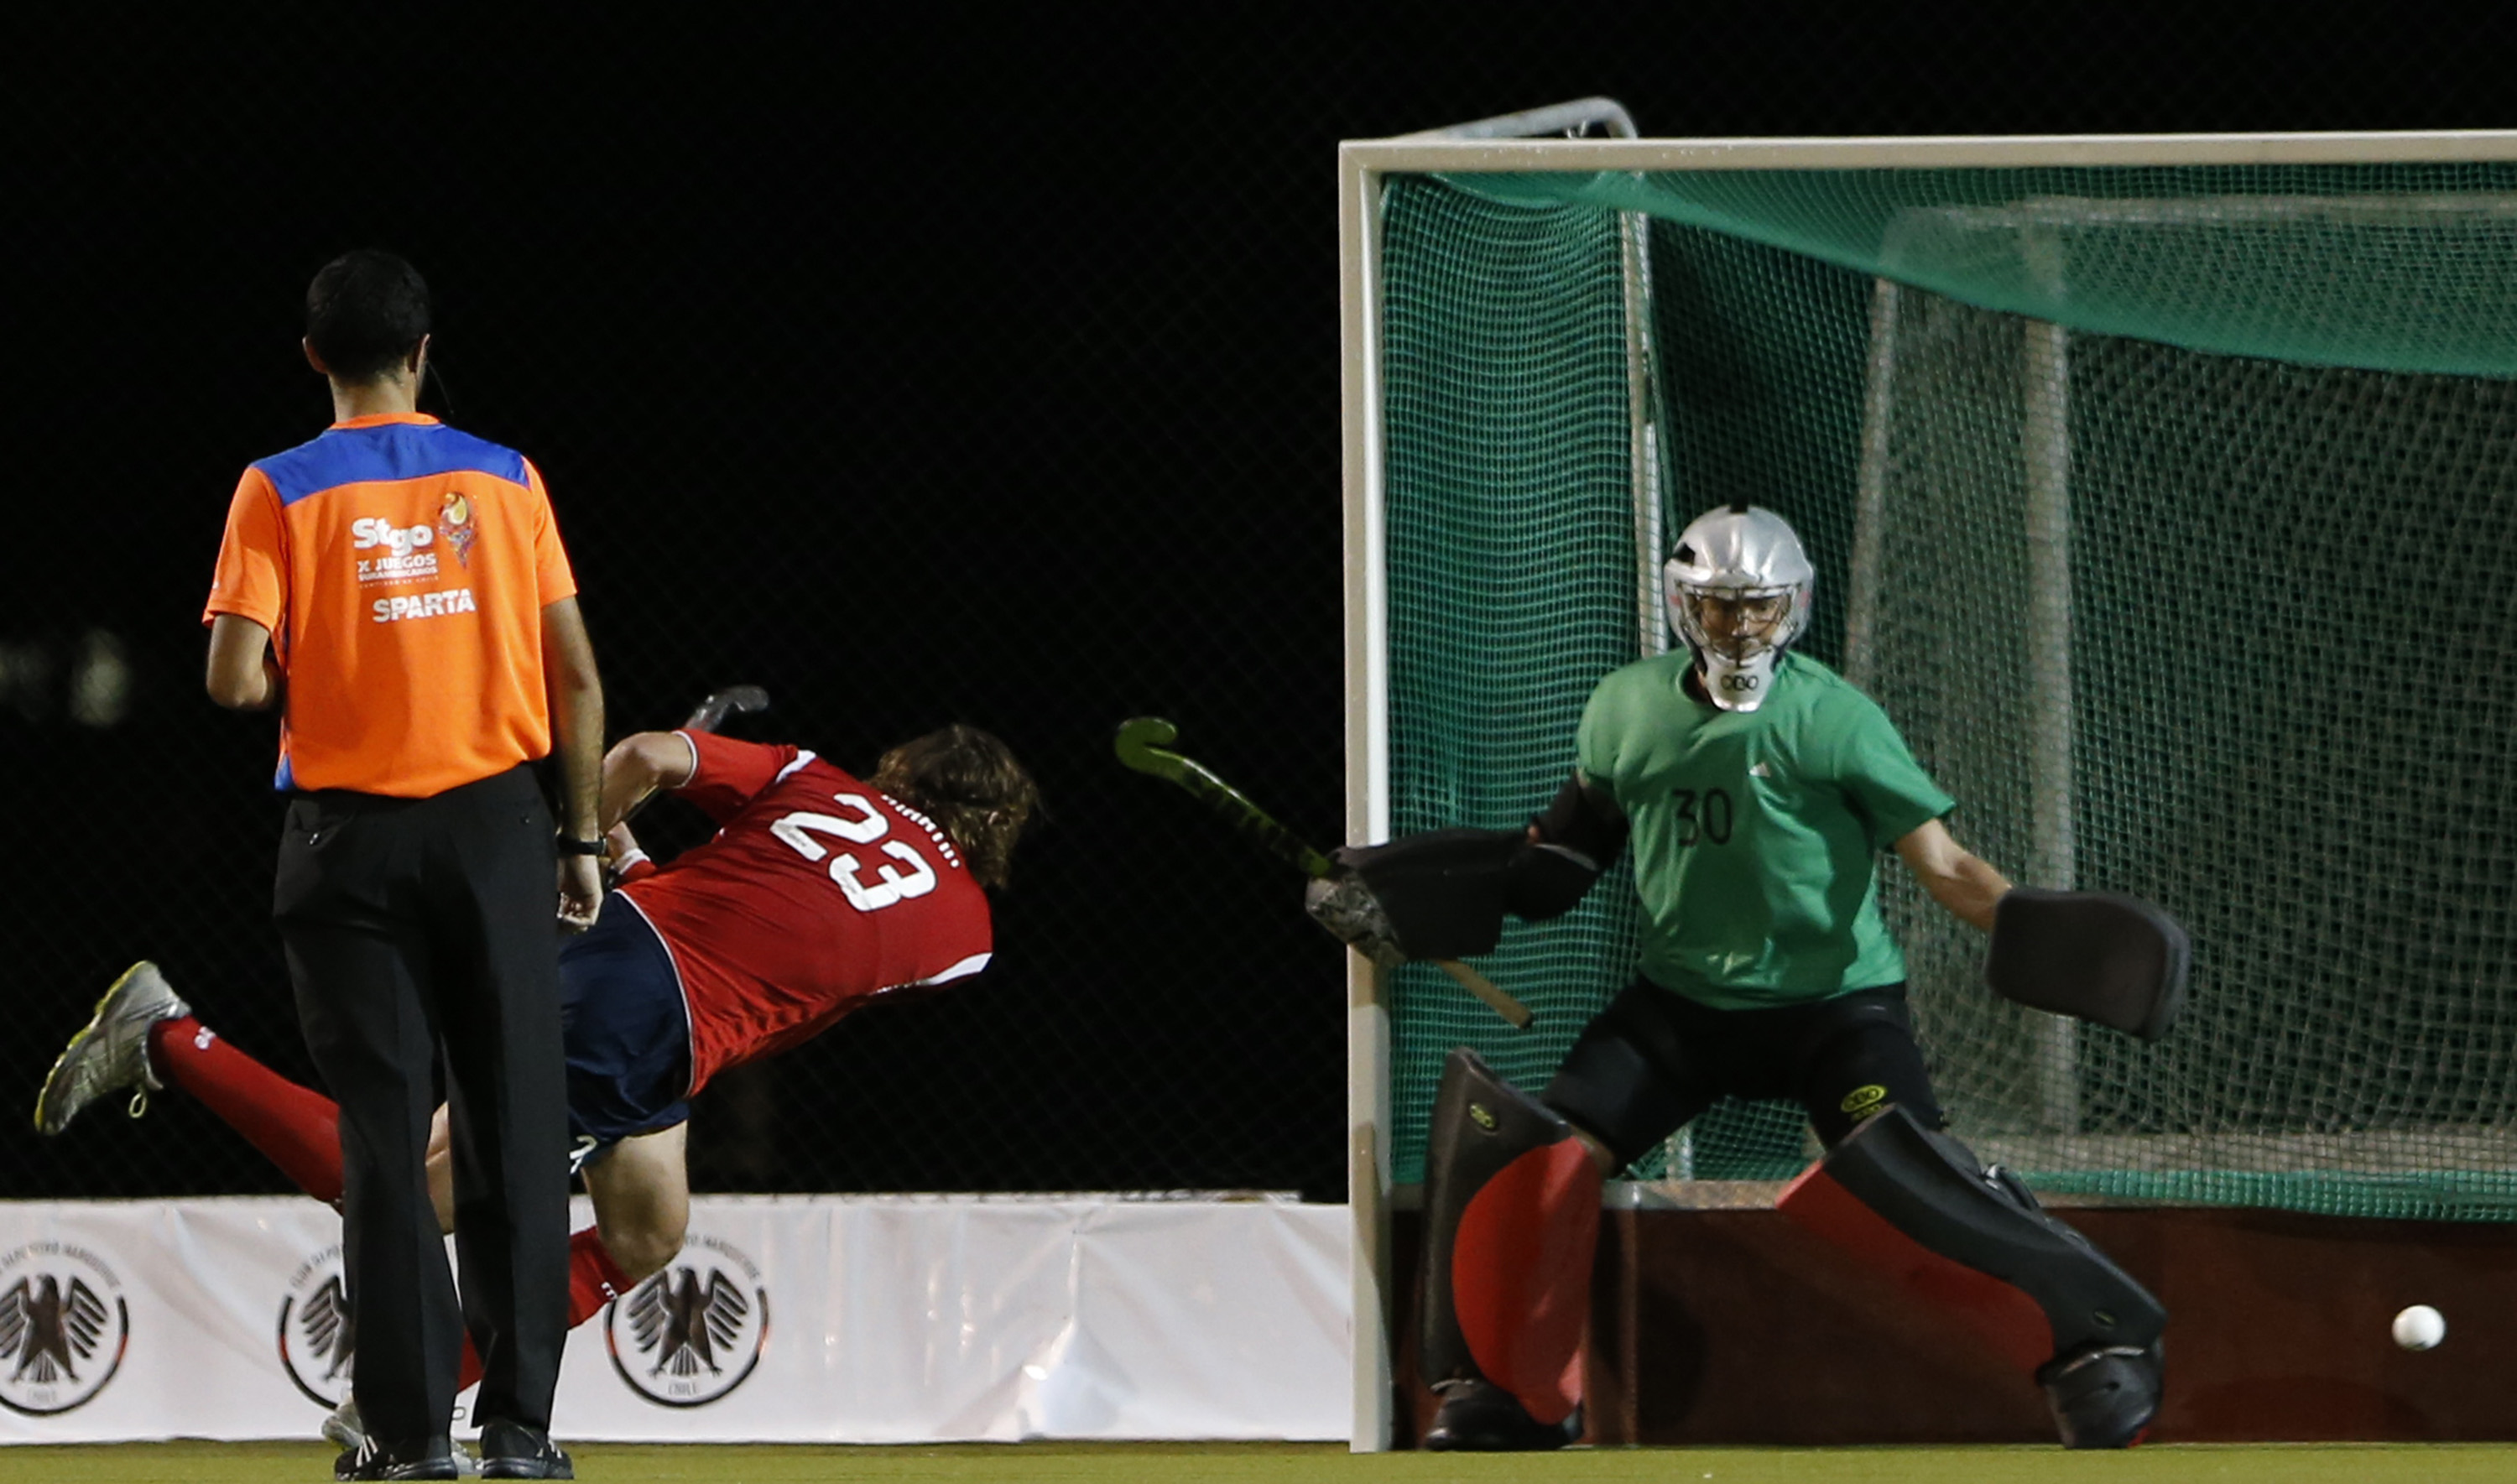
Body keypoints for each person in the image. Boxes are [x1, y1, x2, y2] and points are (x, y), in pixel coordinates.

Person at [1309, 503, 2166, 1452]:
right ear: (1685, 606)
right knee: (1535, 1159)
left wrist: (2042, 935)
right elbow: (1556, 865)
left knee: (1907, 1170)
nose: (1741, 628)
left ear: (1794, 606)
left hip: (1836, 1008)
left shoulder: (1836, 718)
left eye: (1759, 607)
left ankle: (2098, 1341)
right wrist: (1406, 892)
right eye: (1721, 608)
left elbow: (1948, 865)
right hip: (1680, 1012)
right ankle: (1509, 1393)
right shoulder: (1625, 707)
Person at [37, 720, 1038, 1454]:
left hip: (644, 1001)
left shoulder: (816, 777)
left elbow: (641, 758)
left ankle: (399, 1400)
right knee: (391, 1190)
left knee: (646, 1231)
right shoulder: (968, 935)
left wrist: (603, 857)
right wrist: (646, 894)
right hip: (654, 1016)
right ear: (993, 822)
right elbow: (810, 966)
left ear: (900, 774)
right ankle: (168, 1035)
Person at [193, 250, 604, 1480]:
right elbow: (575, 676)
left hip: (347, 845)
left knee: (383, 1137)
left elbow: (230, 678)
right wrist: (580, 837)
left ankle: (413, 1437)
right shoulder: (507, 478)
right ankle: (522, 1434)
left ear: (315, 356)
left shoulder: (276, 487)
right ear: (423, 352)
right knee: (516, 1126)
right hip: (494, 828)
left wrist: (312, 664)